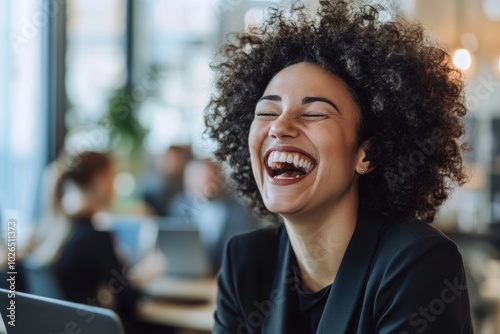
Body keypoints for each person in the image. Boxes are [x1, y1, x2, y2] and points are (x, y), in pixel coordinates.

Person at [205, 1, 473, 333]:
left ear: (368, 154)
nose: (279, 127)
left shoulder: (419, 263)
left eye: (314, 113)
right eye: (267, 113)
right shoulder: (245, 262)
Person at [52, 151, 172, 334]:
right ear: (102, 180)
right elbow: (128, 301)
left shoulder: (64, 229)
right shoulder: (95, 237)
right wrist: (143, 277)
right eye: (113, 177)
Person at [169, 159, 259, 270]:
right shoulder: (179, 206)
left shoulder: (241, 211)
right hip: (184, 273)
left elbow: (244, 253)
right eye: (193, 177)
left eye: (204, 176)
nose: (198, 182)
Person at [141, 145, 192, 216]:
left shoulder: (188, 185)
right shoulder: (152, 187)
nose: (173, 162)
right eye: (171, 158)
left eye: (177, 159)